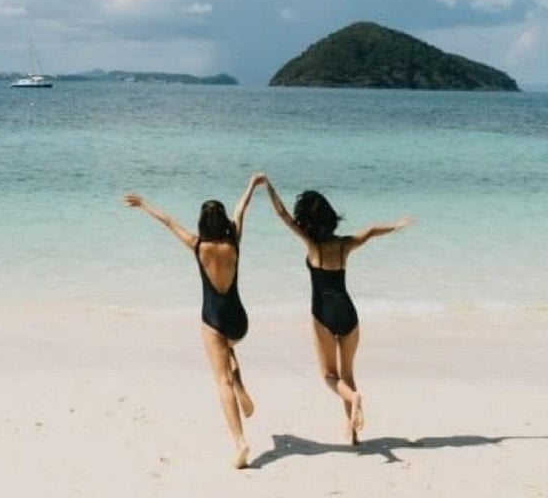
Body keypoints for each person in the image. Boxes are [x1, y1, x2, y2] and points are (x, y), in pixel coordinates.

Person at [259, 178, 412, 443]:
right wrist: (397, 227)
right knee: (348, 373)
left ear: (306, 220)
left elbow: (282, 214)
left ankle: (354, 399)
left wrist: (267, 186)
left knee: (330, 376)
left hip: (323, 316)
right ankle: (352, 433)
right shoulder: (345, 244)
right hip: (348, 314)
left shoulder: (312, 245)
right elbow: (372, 230)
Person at [122, 180, 259, 468]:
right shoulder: (233, 242)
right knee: (228, 349)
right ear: (223, 222)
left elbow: (169, 222)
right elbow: (241, 209)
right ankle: (241, 386)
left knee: (221, 379)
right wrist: (251, 185)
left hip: (213, 319)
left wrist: (144, 204)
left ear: (202, 223)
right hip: (238, 321)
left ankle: (240, 442)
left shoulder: (198, 246)